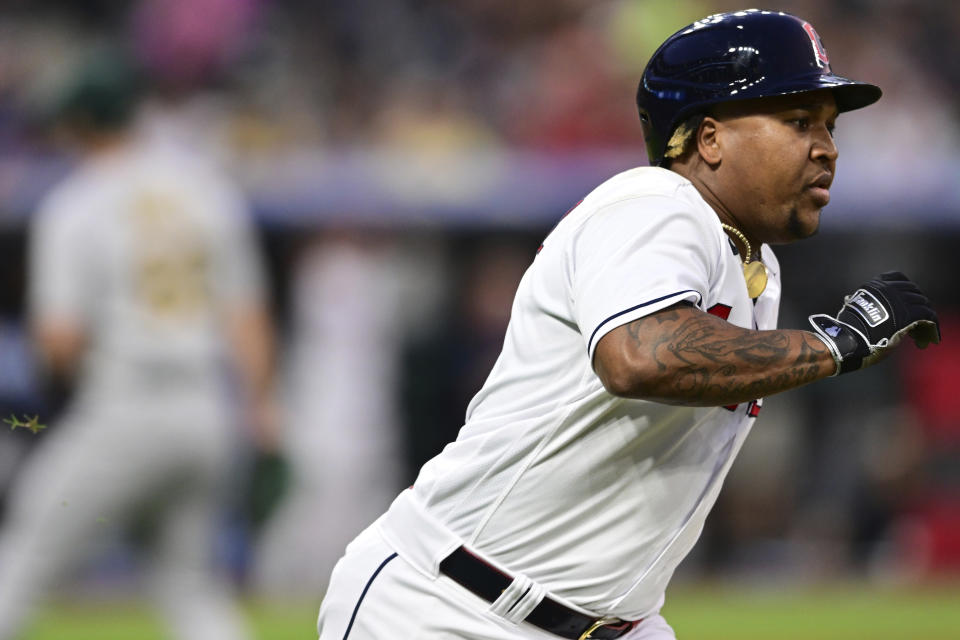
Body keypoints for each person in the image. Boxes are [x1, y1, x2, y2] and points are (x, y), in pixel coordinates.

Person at [316, 10, 940, 640]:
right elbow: (638, 356)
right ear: (710, 139)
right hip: (450, 606)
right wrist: (834, 344)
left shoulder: (756, 268)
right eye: (797, 120)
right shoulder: (657, 204)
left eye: (829, 127)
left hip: (609, 622)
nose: (826, 147)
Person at [0, 55, 277, 640]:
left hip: (127, 403)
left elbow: (60, 342)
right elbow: (245, 313)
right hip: (206, 404)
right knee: (188, 587)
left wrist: (41, 404)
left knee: (21, 557)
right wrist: (259, 405)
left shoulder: (76, 205)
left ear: (77, 124)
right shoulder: (203, 186)